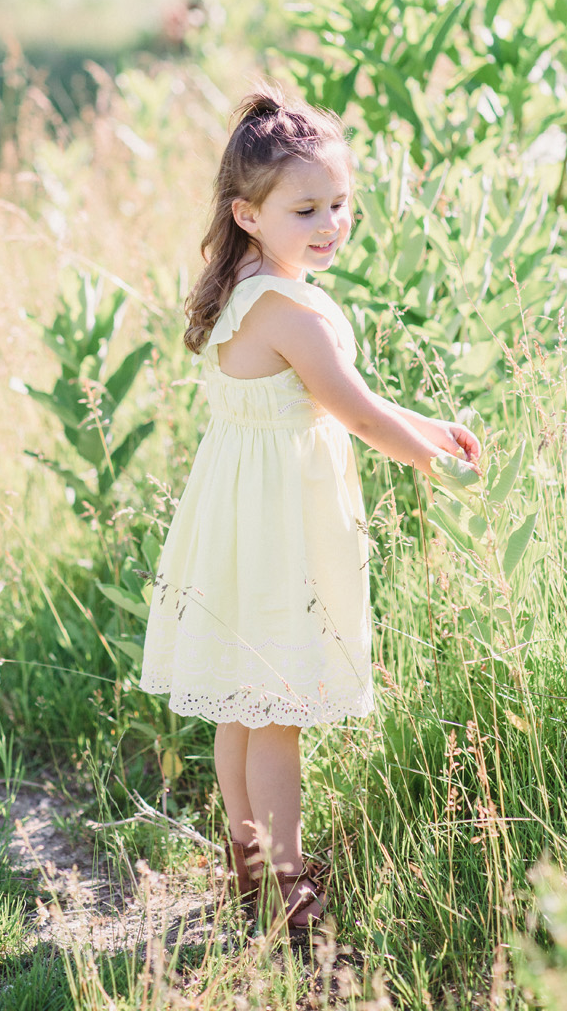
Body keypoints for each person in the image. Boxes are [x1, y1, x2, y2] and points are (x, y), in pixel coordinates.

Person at [139, 88, 481, 931]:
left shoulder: (242, 286)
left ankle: (247, 865)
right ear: (247, 213)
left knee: (241, 705)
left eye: (339, 204)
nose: (330, 224)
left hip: (236, 521)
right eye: (306, 209)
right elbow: (355, 412)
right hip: (280, 528)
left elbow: (344, 399)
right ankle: (287, 887)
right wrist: (430, 460)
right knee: (280, 710)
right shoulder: (291, 307)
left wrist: (425, 425)